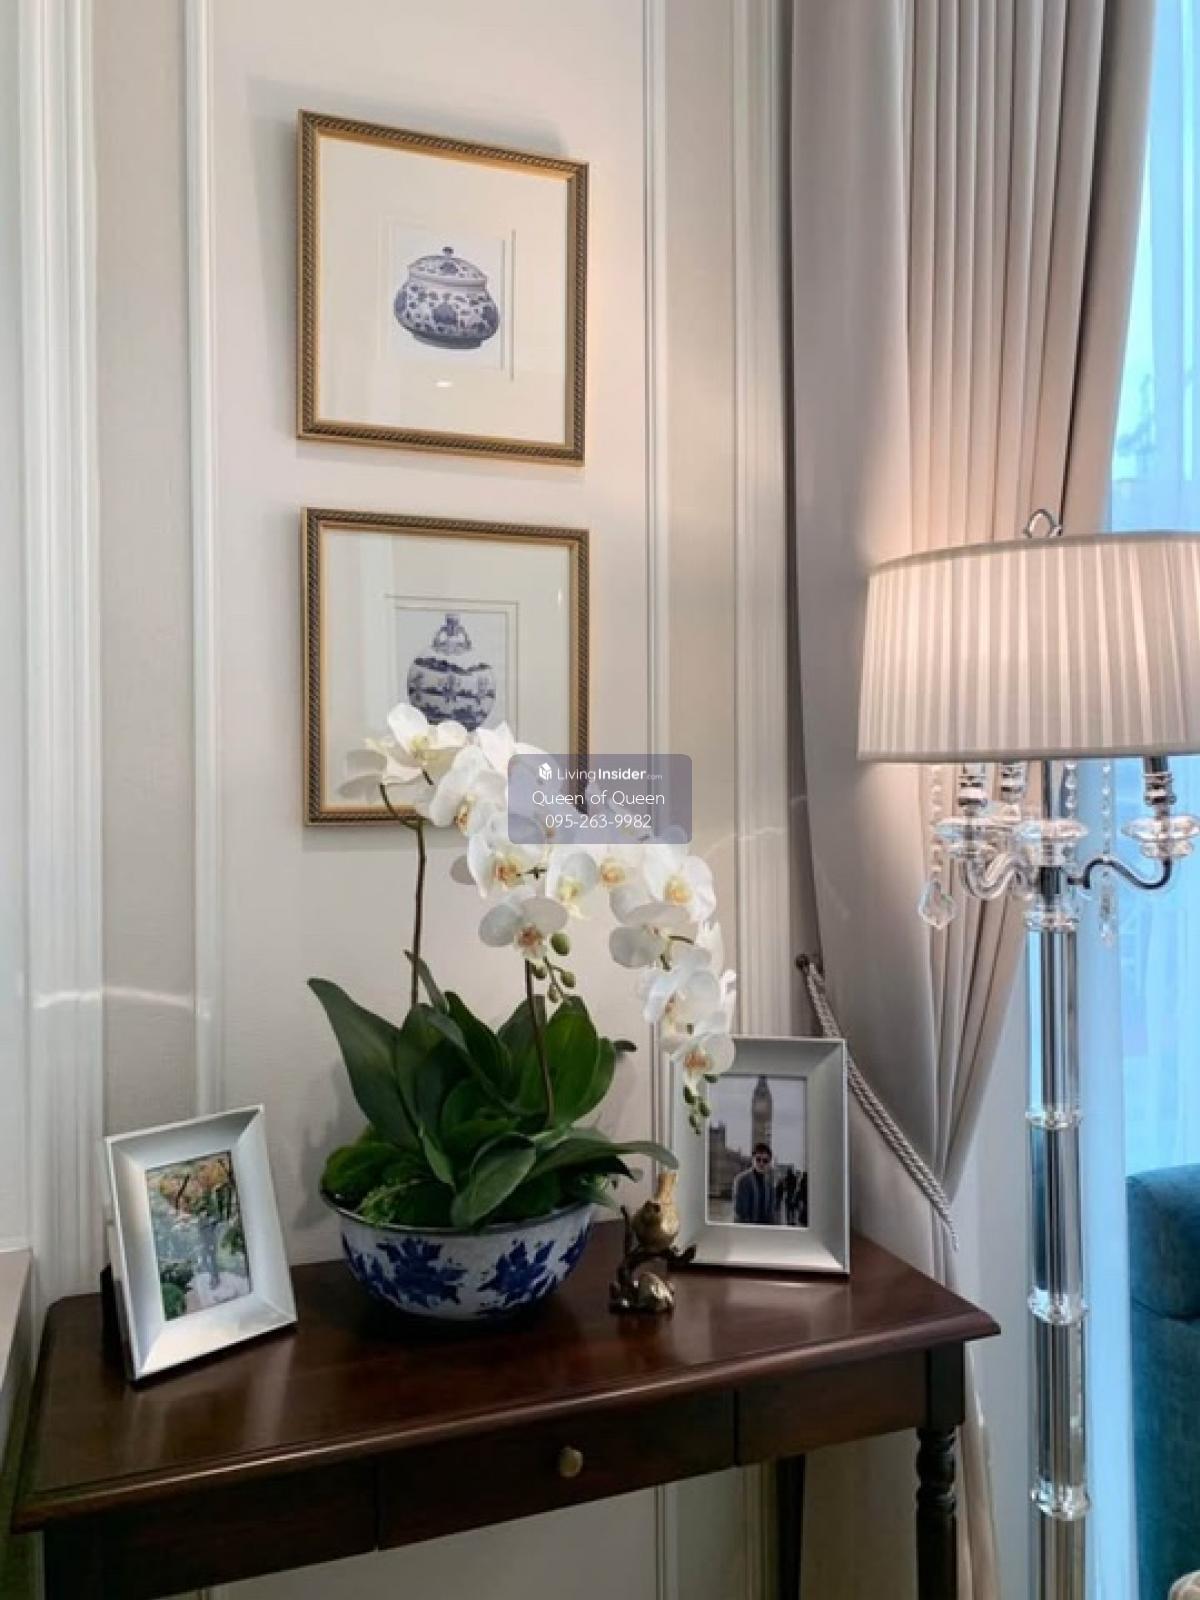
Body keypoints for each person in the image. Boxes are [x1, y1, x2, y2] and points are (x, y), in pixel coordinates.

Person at [732, 1143, 778, 1224]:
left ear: (769, 1163)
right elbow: (739, 1211)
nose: (761, 1163)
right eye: (758, 1159)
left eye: (765, 1161)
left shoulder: (769, 1184)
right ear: (752, 1160)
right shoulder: (741, 1180)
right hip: (746, 1228)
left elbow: (771, 1212)